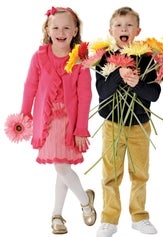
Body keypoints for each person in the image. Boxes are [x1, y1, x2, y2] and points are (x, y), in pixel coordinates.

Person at [20, 6, 96, 234]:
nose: (60, 31)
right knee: (61, 167)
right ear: (47, 29)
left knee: (62, 167)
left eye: (66, 27)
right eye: (56, 27)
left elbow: (85, 95)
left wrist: (81, 127)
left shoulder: (80, 59)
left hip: (70, 123)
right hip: (48, 120)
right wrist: (25, 115)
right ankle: (73, 207)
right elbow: (30, 86)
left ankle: (69, 210)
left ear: (75, 31)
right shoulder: (39, 57)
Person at [95, 7, 161, 236]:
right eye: (119, 26)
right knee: (110, 174)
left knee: (140, 173)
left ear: (138, 31)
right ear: (111, 31)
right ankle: (109, 219)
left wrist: (137, 84)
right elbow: (102, 92)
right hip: (112, 125)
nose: (124, 29)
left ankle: (139, 216)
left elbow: (154, 94)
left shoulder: (148, 58)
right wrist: (117, 74)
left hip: (140, 125)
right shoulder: (103, 57)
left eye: (129, 25)